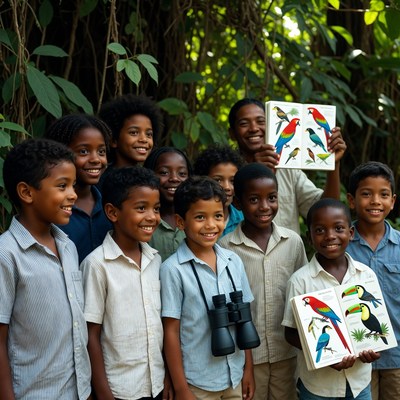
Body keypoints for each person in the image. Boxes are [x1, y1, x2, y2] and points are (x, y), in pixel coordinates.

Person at [0, 139, 91, 399]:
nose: (73, 194)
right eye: (62, 186)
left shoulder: (68, 246)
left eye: (73, 185)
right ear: (27, 193)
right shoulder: (7, 254)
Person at [161, 176, 255, 400]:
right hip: (198, 382)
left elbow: (245, 319)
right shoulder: (173, 269)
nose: (211, 225)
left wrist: (248, 369)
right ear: (181, 222)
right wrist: (181, 387)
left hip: (235, 374)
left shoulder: (233, 261)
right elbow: (171, 331)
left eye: (218, 216)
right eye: (200, 217)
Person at [82, 166, 172, 399]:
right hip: (119, 388)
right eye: (141, 208)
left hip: (156, 384)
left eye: (156, 208)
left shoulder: (155, 259)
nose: (152, 217)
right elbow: (90, 335)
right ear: (112, 212)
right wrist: (103, 393)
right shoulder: (97, 265)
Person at [219, 163, 307, 400]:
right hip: (247, 357)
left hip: (286, 353)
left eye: (272, 198)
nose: (265, 206)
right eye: (254, 199)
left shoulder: (293, 242)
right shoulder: (225, 248)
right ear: (237, 203)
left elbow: (303, 297)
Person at [282, 198, 380, 399]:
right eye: (320, 230)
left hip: (359, 383)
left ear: (350, 233)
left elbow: (377, 327)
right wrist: (327, 356)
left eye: (338, 228)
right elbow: (290, 333)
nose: (330, 236)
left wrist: (374, 348)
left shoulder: (366, 275)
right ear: (309, 237)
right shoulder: (300, 281)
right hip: (318, 387)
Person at [228, 98, 347, 234]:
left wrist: (333, 163)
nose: (254, 128)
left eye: (261, 121)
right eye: (244, 123)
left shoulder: (288, 168)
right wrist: (255, 171)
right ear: (232, 133)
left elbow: (327, 210)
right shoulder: (226, 174)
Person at [346, 161, 400, 400]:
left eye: (383, 194)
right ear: (351, 200)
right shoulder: (340, 247)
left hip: (396, 357)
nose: (376, 200)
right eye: (366, 194)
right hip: (356, 357)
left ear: (393, 201)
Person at [45, 114, 113, 262]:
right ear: (59, 153)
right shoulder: (51, 210)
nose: (95, 159)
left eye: (101, 151)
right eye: (83, 151)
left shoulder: (111, 206)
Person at [97, 94, 163, 188]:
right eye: (134, 133)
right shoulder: (102, 180)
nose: (144, 139)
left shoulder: (148, 178)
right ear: (113, 140)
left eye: (149, 134)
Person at [144, 147, 192, 261]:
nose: (174, 178)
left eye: (182, 173)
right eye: (164, 172)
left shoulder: (195, 220)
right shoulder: (144, 222)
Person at [193, 143, 244, 236]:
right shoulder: (192, 219)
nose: (227, 187)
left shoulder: (244, 219)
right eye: (218, 180)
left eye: (233, 181)